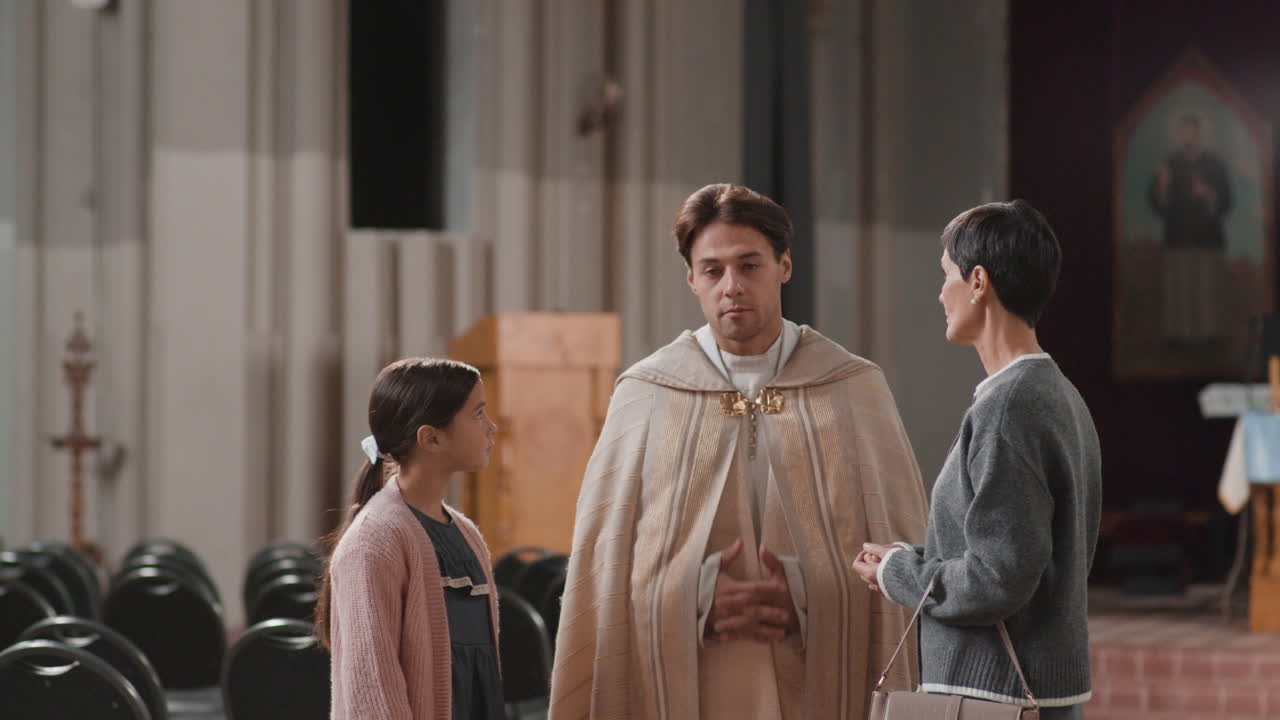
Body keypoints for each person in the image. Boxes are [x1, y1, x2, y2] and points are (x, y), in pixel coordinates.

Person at [549, 183, 929, 719]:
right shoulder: (647, 393)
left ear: (785, 266)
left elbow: (901, 552)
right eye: (713, 270)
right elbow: (606, 571)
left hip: (819, 671)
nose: (732, 286)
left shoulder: (853, 387)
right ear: (691, 279)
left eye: (749, 266)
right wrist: (693, 597)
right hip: (693, 679)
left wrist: (808, 593)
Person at [853, 200, 1102, 720]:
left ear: (978, 281)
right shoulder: (1053, 392)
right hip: (1029, 689)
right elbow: (1019, 551)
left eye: (947, 274)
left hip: (996, 696)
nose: (940, 292)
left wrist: (902, 575)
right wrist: (911, 557)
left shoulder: (1010, 407)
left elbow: (999, 579)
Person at [316, 358, 502, 720]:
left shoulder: (467, 534)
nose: (492, 428)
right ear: (431, 437)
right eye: (478, 414)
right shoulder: (374, 542)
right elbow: (372, 691)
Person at [1148, 113, 1232, 343]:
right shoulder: (1170, 163)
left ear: (1198, 133)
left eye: (1192, 130)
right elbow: (1157, 204)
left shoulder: (1214, 164)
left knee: (1206, 288)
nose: (1188, 135)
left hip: (1208, 238)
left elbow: (1227, 202)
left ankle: (1209, 334)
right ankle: (1179, 336)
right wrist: (1162, 186)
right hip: (1177, 236)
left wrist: (1209, 194)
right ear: (1180, 134)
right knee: (1179, 288)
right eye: (1184, 130)